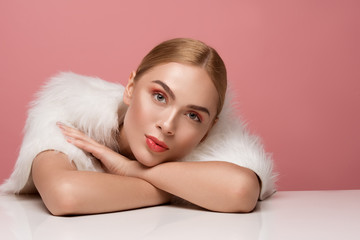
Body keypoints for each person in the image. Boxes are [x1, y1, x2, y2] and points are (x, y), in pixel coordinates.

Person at [0, 38, 276, 215]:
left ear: (209, 129)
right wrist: (179, 189)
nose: (168, 125)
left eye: (193, 116)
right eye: (159, 97)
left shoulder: (217, 143)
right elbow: (66, 195)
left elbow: (241, 190)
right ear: (131, 88)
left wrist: (130, 169)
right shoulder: (68, 110)